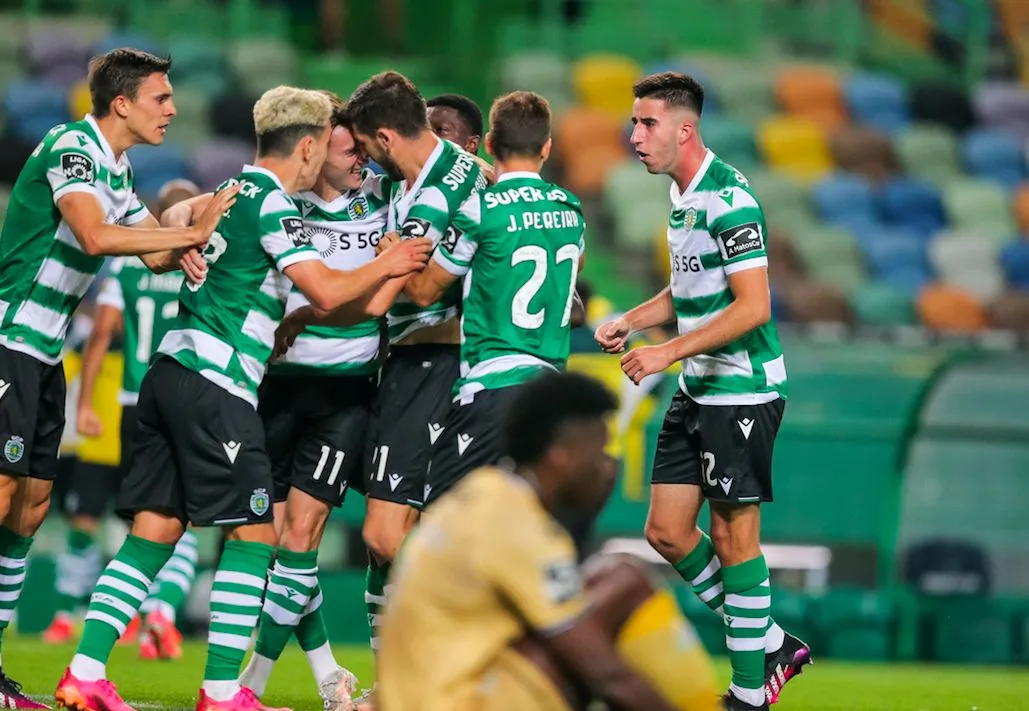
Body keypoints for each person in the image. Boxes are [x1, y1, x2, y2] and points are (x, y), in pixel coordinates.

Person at [54, 85, 431, 711]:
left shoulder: (228, 192)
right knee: (257, 538)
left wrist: (183, 236)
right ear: (307, 147)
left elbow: (172, 217)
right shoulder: (275, 204)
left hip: (167, 375)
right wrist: (392, 263)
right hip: (217, 386)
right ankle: (226, 691)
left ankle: (86, 673)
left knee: (154, 532)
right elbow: (326, 292)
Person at [0, 48, 234, 708]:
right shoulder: (73, 145)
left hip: (45, 357)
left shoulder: (120, 169)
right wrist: (177, 237)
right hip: (9, 337)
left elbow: (150, 251)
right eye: (162, 98)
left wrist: (200, 221)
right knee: (2, 495)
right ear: (123, 103)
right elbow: (97, 236)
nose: (174, 109)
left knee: (31, 507)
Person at [593, 72, 810, 710]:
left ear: (684, 129)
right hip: (699, 386)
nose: (635, 135)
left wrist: (664, 352)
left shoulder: (729, 199)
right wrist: (635, 320)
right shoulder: (682, 198)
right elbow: (689, 290)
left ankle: (749, 693)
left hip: (741, 390)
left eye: (647, 123)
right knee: (665, 530)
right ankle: (765, 638)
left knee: (733, 537)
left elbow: (754, 308)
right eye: (635, 122)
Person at [372, 371, 719, 711]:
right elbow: (606, 676)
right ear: (561, 455)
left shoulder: (483, 494)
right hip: (457, 702)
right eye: (598, 452)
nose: (608, 467)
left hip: (421, 697)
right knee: (624, 583)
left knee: (585, 604)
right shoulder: (516, 525)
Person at [237, 93, 395, 711]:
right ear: (314, 146)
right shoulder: (280, 202)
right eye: (347, 145)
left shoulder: (384, 197)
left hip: (345, 392)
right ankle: (330, 673)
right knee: (272, 542)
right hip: (278, 386)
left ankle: (250, 686)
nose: (359, 155)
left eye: (362, 144)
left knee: (303, 535)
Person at [333, 71, 487, 650]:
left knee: (385, 533)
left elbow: (420, 288)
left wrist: (383, 259)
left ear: (386, 136)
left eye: (368, 147)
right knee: (398, 537)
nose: (367, 160)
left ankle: (462, 643)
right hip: (407, 364)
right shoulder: (415, 182)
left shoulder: (444, 186)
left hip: (432, 364)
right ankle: (405, 677)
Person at [390, 90, 584, 507]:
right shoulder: (571, 210)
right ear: (547, 147)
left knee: (443, 519)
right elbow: (571, 269)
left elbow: (424, 292)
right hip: (549, 389)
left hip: (493, 385)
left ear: (491, 144)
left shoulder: (481, 210)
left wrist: (393, 252)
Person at [43, 180, 204, 654]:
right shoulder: (201, 262)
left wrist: (87, 402)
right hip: (188, 396)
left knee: (114, 517)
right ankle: (160, 611)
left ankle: (71, 617)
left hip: (133, 402)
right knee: (180, 518)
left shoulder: (130, 266)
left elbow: (101, 334)